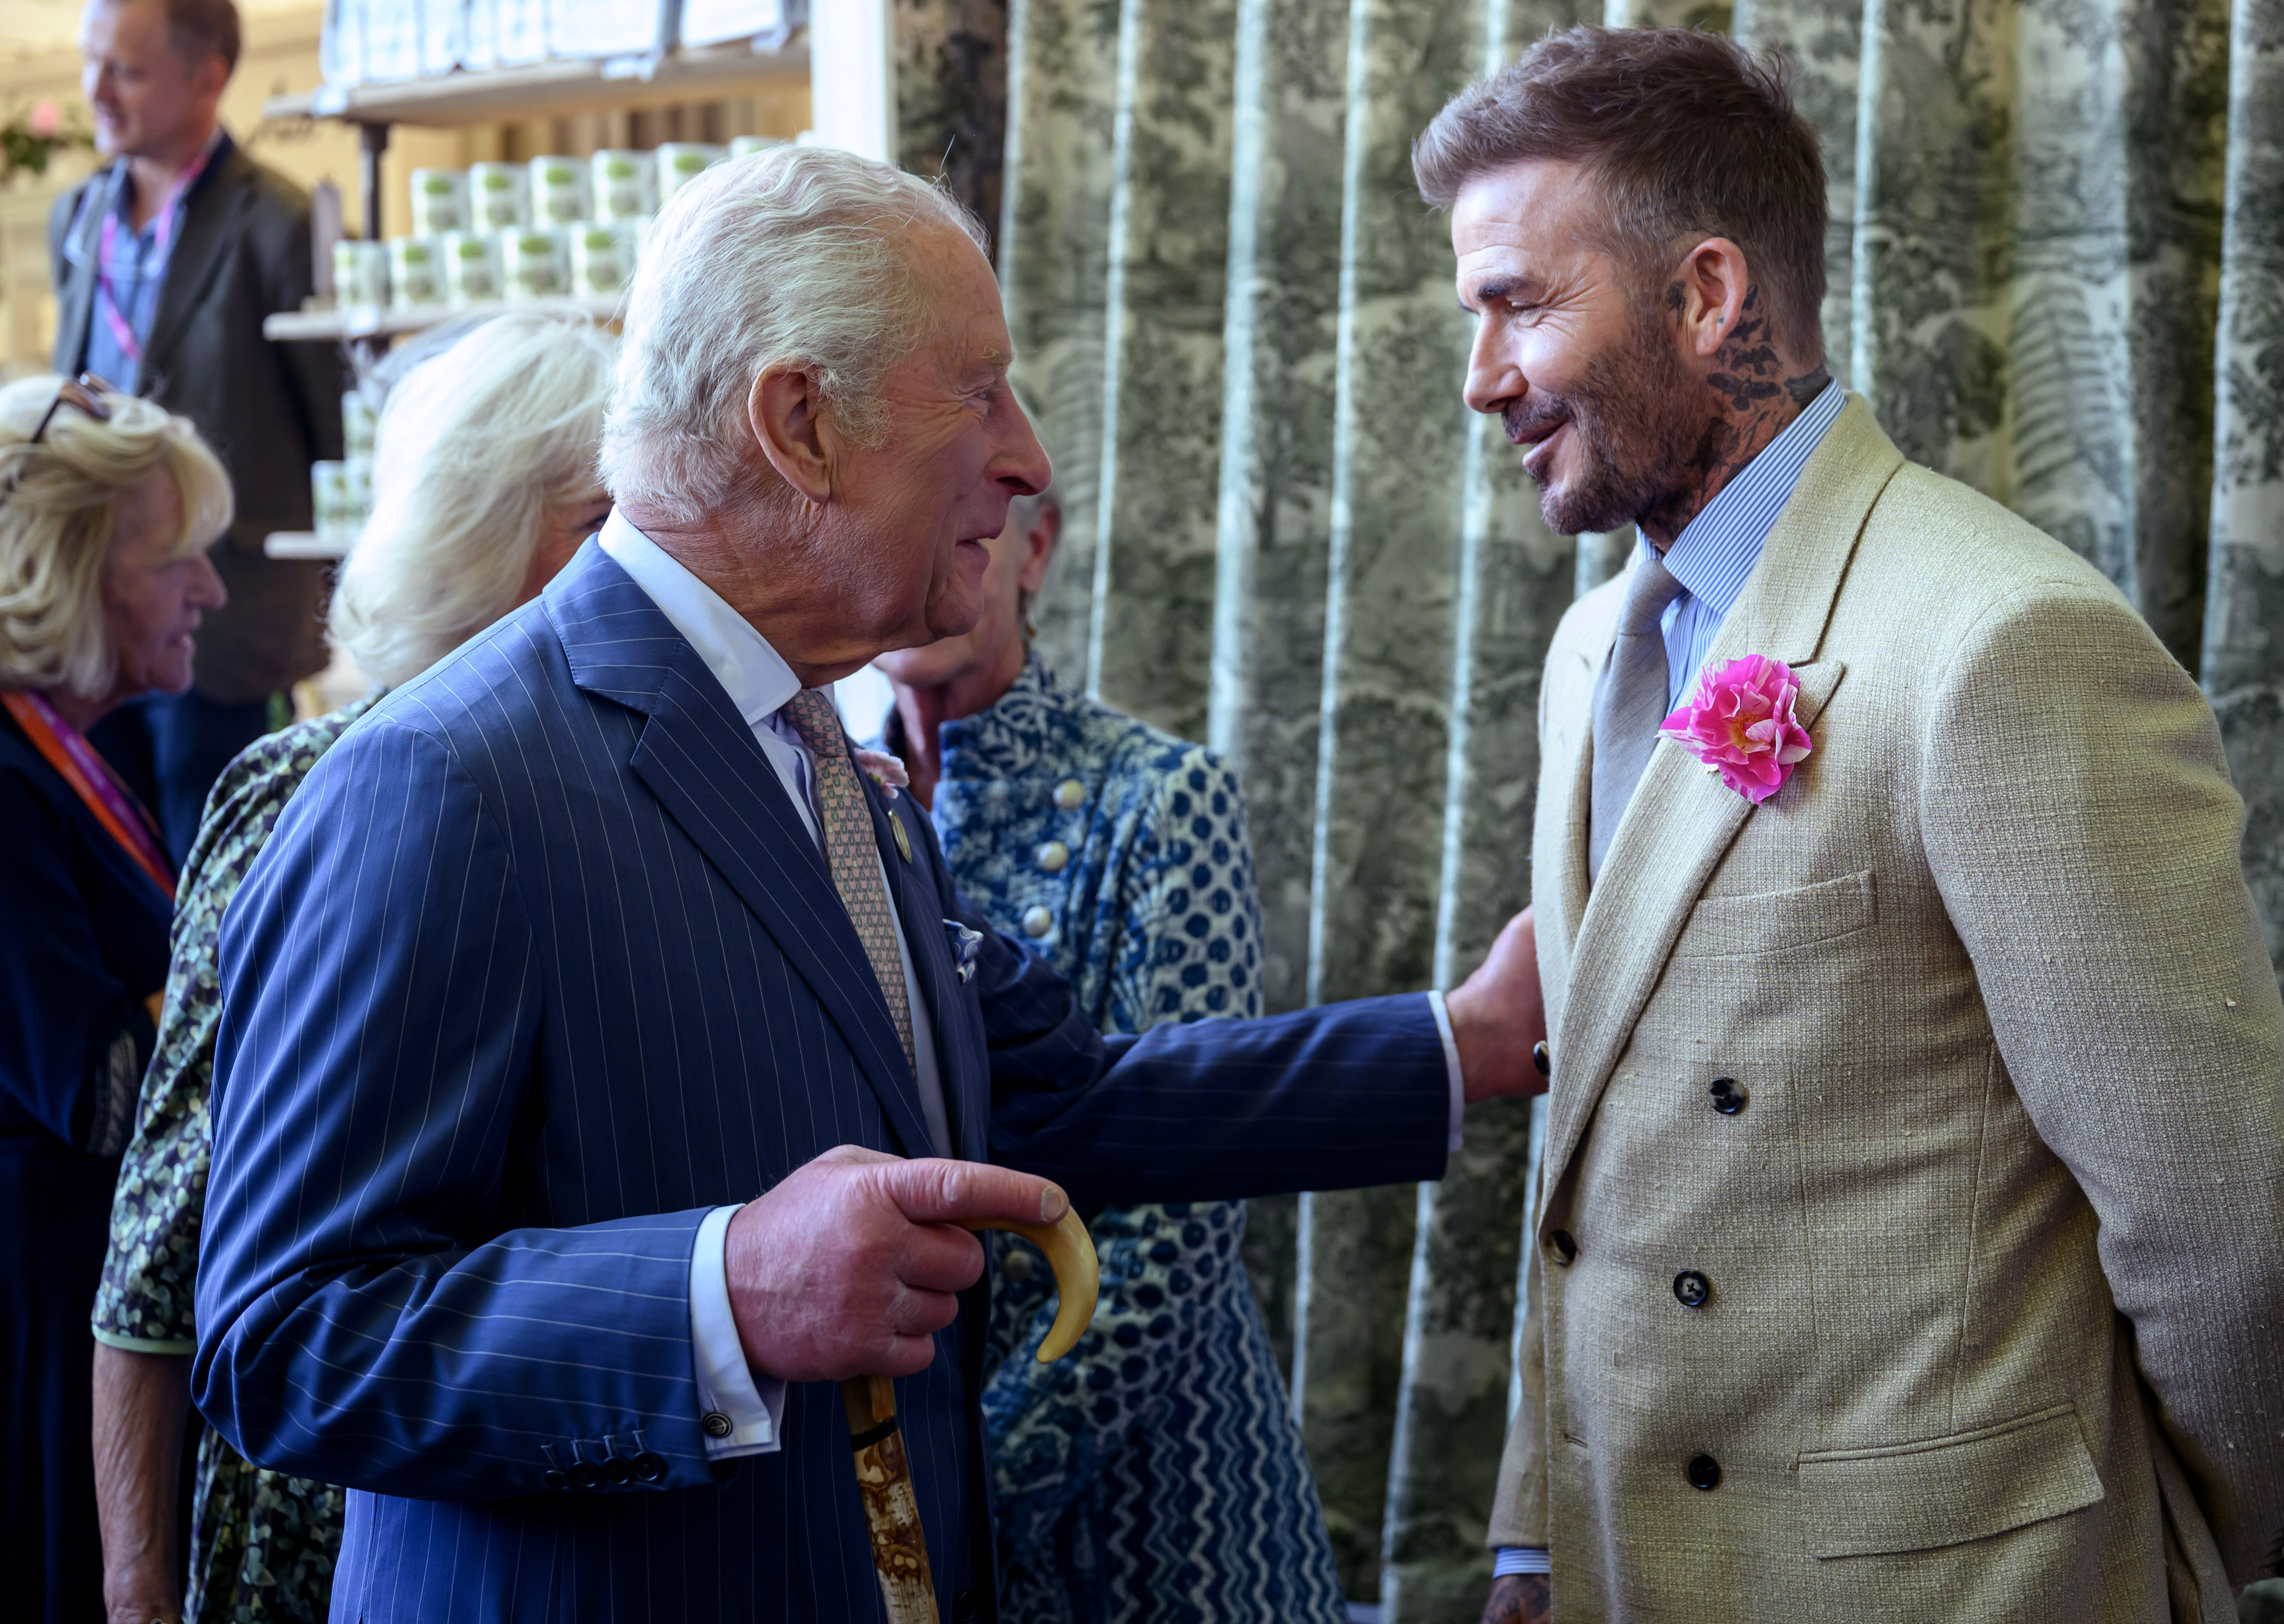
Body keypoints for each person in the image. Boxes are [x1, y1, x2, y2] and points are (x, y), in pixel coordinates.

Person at [189, 145, 1547, 1624]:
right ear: (799, 423)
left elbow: (1051, 1106)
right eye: (980, 391)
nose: (1025, 457)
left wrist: (1460, 1045)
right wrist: (723, 1292)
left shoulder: (827, 767)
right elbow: (286, 1339)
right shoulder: (440, 784)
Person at [1410, 27, 2284, 1624]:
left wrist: (2184, 1549)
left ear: (1709, 296)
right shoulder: (1589, 658)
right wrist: (1533, 1523)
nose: (1483, 376)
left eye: (1521, 302)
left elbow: (2234, 1241)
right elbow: (1586, 1173)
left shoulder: (2006, 643)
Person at [86, 309, 617, 1624]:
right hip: (329, 1521)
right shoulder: (307, 791)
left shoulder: (632, 788)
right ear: (499, 535)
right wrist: (142, 1588)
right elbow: (163, 1236)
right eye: (607, 526)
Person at [873, 424, 1341, 1620]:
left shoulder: (1161, 800)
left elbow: (1187, 1208)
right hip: (891, 1466)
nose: (941, 562)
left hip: (1159, 1501)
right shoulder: (825, 807)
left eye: (974, 526)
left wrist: (980, 1482)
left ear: (1037, 549)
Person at [0, 373, 229, 1624]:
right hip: (44, 1324)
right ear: (68, 568)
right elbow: (101, 1090)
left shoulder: (70, 742)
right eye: (179, 557)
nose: (213, 591)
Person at [53, 0, 344, 866]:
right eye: (91, 64)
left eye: (126, 71)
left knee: (221, 900)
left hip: (222, 634)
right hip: (91, 631)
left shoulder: (281, 225)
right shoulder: (79, 218)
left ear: (208, 77)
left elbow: (343, 432)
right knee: (109, 887)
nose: (95, 92)